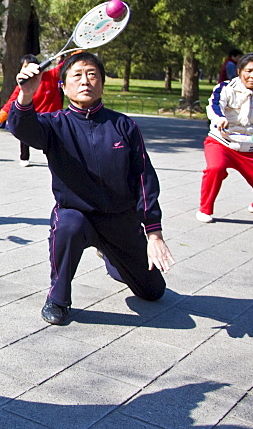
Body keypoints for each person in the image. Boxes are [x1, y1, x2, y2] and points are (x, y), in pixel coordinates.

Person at [10, 52, 174, 326]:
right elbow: (22, 128)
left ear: (102, 83)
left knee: (153, 293)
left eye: (92, 74)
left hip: (121, 221)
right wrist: (26, 94)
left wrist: (154, 233)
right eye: (76, 75)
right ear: (64, 86)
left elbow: (144, 178)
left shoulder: (124, 125)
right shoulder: (54, 124)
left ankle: (112, 257)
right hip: (77, 216)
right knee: (68, 225)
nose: (85, 81)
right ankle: (58, 298)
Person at [197, 53, 253, 223]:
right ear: (239, 70)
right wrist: (220, 119)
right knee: (216, 168)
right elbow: (214, 105)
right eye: (248, 70)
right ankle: (205, 209)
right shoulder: (225, 87)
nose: (252, 76)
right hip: (222, 141)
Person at [0, 54, 63, 166]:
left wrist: (78, 53)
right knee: (23, 131)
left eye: (29, 66)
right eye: (24, 67)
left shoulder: (50, 76)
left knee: (55, 142)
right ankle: (24, 158)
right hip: (33, 117)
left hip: (52, 118)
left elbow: (66, 66)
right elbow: (10, 104)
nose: (26, 69)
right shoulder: (22, 86)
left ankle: (57, 160)